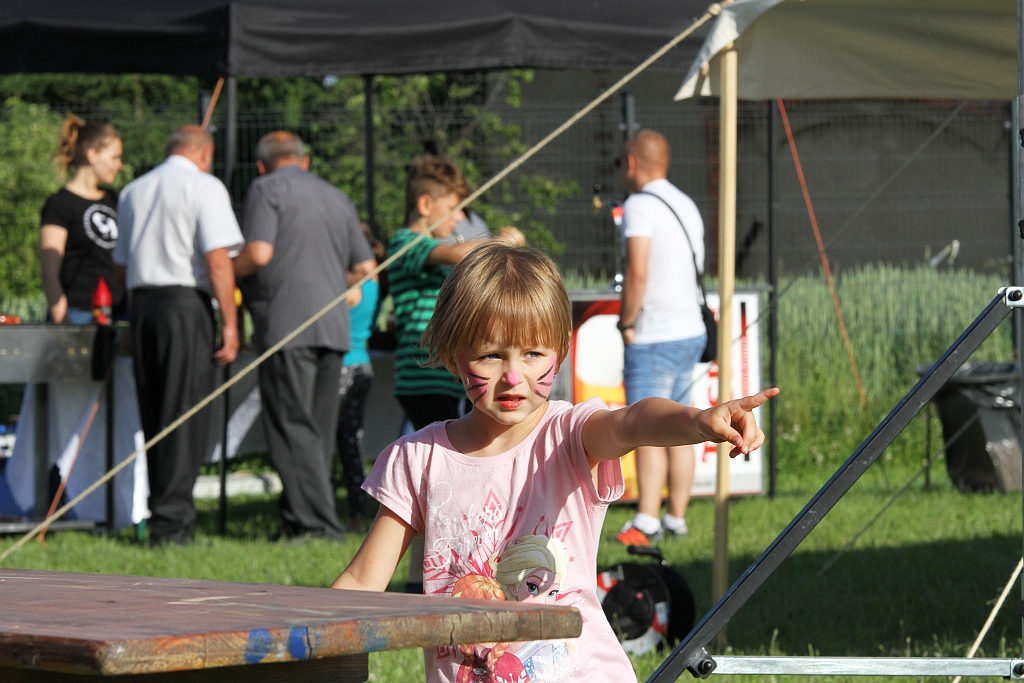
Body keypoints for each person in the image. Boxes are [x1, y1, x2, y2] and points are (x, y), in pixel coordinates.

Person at [331, 242, 777, 683]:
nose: (512, 376)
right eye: (490, 354)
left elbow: (633, 421)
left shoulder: (571, 436)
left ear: (560, 351)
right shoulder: (418, 459)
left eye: (532, 354)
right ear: (452, 354)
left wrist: (697, 420)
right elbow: (361, 583)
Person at [386, 155, 523, 591]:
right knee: (434, 475)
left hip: (441, 378)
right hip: (422, 378)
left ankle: (439, 561)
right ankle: (424, 569)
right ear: (425, 204)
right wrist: (500, 241)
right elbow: (461, 252)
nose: (460, 220)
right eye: (452, 210)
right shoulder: (406, 243)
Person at [234, 131, 375, 542]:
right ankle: (309, 518)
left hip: (285, 325)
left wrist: (222, 267)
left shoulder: (265, 188)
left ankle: (315, 524)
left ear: (262, 164)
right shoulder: (336, 196)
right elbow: (365, 267)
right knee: (316, 428)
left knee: (291, 426)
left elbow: (258, 253)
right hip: (333, 327)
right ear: (305, 160)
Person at [114, 125, 242, 546]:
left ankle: (161, 514)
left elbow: (120, 263)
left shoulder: (133, 190)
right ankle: (173, 524)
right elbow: (218, 259)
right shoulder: (205, 186)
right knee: (184, 413)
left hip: (141, 305)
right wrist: (229, 322)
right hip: (183, 306)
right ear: (204, 154)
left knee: (154, 412)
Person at [615, 129, 709, 546]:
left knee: (647, 426)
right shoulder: (685, 203)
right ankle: (677, 517)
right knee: (684, 423)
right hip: (690, 329)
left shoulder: (638, 206)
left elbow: (637, 270)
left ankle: (647, 519)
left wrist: (626, 322)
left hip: (654, 333)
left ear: (632, 163)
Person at [41, 114, 125, 324]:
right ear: (93, 155)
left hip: (118, 312)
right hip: (78, 313)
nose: (120, 165)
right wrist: (63, 320)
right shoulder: (60, 204)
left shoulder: (116, 200)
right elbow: (50, 271)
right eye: (114, 157)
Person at [335, 222, 382, 531]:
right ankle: (355, 509)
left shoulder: (350, 286)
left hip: (345, 367)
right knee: (352, 440)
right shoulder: (374, 282)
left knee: (346, 442)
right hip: (362, 362)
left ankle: (355, 512)